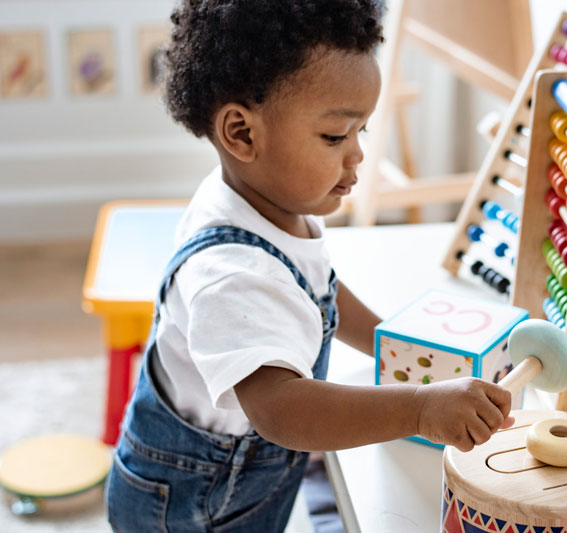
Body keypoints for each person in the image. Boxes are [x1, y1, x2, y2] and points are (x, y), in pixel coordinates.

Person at [105, 1, 514, 531]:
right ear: (242, 134)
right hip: (189, 503)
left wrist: (394, 342)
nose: (357, 157)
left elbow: (319, 289)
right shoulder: (231, 274)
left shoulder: (271, 204)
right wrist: (416, 408)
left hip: (239, 482)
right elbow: (281, 409)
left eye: (361, 132)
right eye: (335, 136)